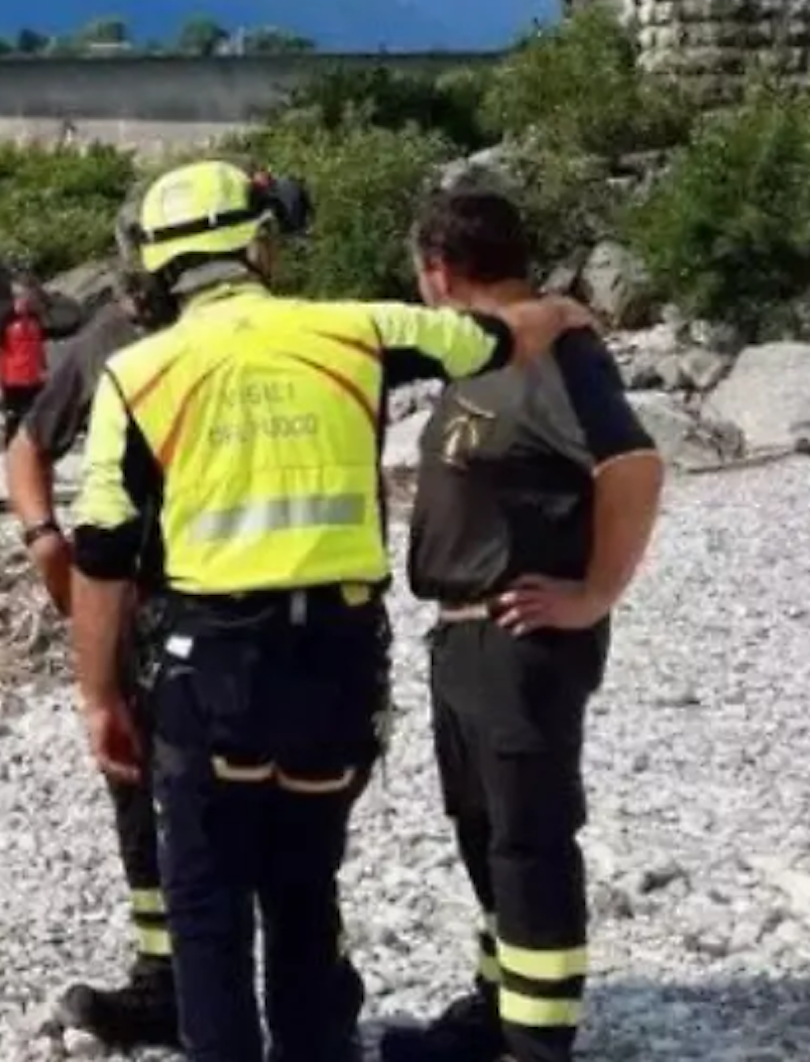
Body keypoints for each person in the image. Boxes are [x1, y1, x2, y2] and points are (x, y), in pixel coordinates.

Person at [67, 158, 597, 1062]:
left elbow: (103, 558)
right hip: (336, 661)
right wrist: (563, 313)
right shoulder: (354, 330)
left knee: (207, 902)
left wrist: (99, 696)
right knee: (305, 887)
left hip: (209, 663)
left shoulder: (136, 374)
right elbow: (496, 338)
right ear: (259, 247)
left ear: (159, 268)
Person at [381, 191, 664, 1062]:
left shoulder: (555, 354)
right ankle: (498, 1003)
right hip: (462, 632)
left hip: (523, 638)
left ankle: (539, 1043)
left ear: (438, 268)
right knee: (480, 829)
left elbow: (636, 465)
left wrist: (592, 593)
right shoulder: (493, 349)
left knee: (529, 837)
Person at [4, 256, 181, 1048]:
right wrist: (46, 541)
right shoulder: (112, 339)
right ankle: (163, 975)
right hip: (144, 600)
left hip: (249, 602)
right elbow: (28, 445)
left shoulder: (264, 332)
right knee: (137, 788)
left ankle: (308, 985)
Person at [0, 278, 48, 442]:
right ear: (19, 296)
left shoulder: (36, 318)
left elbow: (39, 347)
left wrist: (44, 368)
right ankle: (10, 455)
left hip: (34, 379)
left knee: (35, 421)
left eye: (33, 295)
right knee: (12, 422)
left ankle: (30, 456)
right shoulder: (6, 318)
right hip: (12, 380)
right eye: (29, 295)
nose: (32, 299)